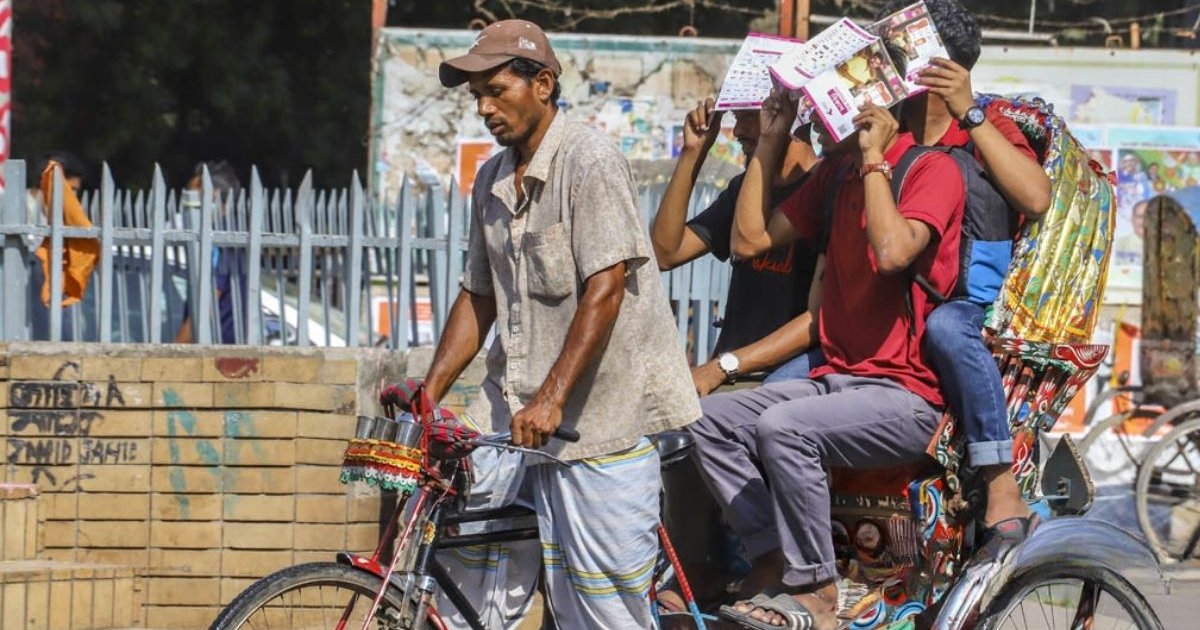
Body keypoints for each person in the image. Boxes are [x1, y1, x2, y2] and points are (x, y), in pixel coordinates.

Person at [427, 19, 700, 629]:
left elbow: (604, 290)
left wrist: (552, 399)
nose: (485, 108)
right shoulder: (491, 179)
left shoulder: (590, 160)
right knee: (467, 585)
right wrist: (429, 394)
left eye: (497, 91)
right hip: (510, 410)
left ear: (544, 84)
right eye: (477, 98)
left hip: (599, 422)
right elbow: (479, 295)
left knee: (599, 611)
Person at [691, 91, 965, 630]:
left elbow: (890, 254)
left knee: (783, 428)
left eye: (827, 107)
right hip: (835, 382)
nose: (816, 121)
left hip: (906, 398)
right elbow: (749, 241)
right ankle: (771, 557)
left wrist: (873, 160)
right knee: (704, 417)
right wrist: (770, 139)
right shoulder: (834, 175)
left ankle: (816, 588)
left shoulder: (930, 169)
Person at [889, 0, 1051, 553]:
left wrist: (970, 115)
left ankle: (999, 481)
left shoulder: (988, 125)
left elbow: (1035, 195)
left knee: (947, 332)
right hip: (889, 300)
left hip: (962, 301)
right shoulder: (890, 133)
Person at [651, 98, 822, 396]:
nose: (738, 130)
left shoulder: (825, 188)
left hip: (782, 377)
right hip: (731, 371)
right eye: (736, 117)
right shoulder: (743, 190)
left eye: (750, 117)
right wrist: (693, 153)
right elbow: (665, 253)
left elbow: (820, 317)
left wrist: (725, 366)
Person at [174, 161, 247, 344]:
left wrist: (168, 356)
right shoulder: (234, 233)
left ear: (212, 196)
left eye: (192, 195)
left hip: (215, 350)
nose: (186, 203)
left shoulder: (221, 240)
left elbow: (206, 305)